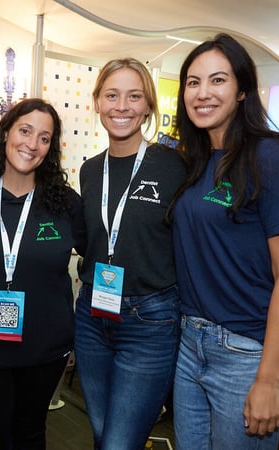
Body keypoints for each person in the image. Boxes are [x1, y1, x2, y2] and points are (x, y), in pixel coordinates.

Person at [169, 33, 279, 450]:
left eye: (217, 80)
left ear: (243, 89)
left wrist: (268, 379)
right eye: (193, 82)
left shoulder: (271, 156)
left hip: (246, 352)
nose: (202, 93)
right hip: (190, 343)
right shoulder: (193, 161)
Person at [0, 98, 86, 450]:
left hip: (44, 350)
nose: (32, 143)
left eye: (44, 138)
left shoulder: (66, 204)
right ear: (6, 132)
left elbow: (102, 256)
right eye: (25, 130)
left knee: (30, 434)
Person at [73, 57, 186, 450]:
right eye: (112, 95)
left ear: (149, 106)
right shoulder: (90, 171)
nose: (122, 106)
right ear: (98, 102)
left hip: (150, 319)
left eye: (134, 96)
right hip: (91, 313)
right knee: (103, 433)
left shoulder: (175, 167)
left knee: (120, 442)